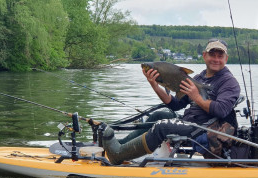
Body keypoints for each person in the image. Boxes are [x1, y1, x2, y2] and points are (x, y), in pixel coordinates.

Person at [101, 39, 241, 165]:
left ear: (226, 58)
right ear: (205, 55)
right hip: (190, 122)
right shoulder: (200, 77)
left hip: (205, 129)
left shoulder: (229, 82)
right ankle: (118, 146)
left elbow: (221, 110)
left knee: (162, 126)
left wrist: (196, 97)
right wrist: (155, 85)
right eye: (212, 55)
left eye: (220, 56)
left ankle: (117, 155)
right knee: (159, 115)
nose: (216, 59)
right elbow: (176, 104)